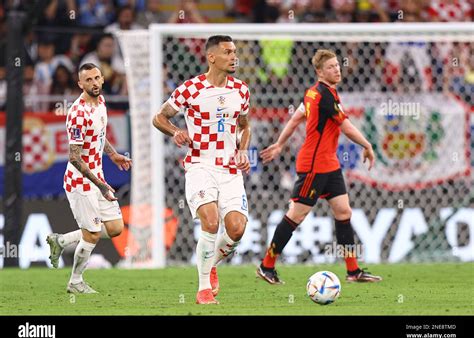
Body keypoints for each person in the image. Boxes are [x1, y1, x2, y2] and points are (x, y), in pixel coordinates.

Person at [257, 49, 382, 285]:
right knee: (296, 215)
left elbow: (295, 117)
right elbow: (345, 127)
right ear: (320, 72)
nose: (337, 69)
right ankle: (267, 266)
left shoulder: (313, 94)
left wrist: (280, 144)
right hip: (314, 165)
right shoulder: (324, 96)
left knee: (343, 212)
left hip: (329, 164)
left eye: (337, 65)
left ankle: (353, 271)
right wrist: (367, 144)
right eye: (331, 67)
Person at [152, 35, 251, 304]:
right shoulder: (190, 89)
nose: (234, 57)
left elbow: (245, 126)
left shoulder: (241, 90)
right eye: (228, 52)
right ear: (212, 57)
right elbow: (159, 117)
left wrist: (243, 150)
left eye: (235, 52)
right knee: (210, 221)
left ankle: (212, 263)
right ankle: (203, 289)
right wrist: (175, 131)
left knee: (237, 229)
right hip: (200, 164)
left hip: (230, 169)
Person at [46, 63, 132, 293]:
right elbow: (74, 157)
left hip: (97, 177)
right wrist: (102, 185)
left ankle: (61, 241)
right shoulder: (78, 113)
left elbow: (99, 135)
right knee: (93, 233)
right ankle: (75, 282)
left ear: (102, 79)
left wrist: (113, 155)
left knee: (115, 228)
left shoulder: (101, 103)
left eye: (97, 78)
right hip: (80, 182)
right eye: (88, 80)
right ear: (80, 84)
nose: (94, 83)